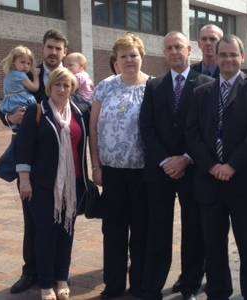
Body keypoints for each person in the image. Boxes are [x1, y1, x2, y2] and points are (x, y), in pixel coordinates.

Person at [186, 35, 247, 300]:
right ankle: (219, 292)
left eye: (234, 55)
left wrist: (232, 165)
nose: (228, 60)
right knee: (214, 246)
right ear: (215, 57)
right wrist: (212, 166)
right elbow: (192, 133)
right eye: (223, 55)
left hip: (244, 182)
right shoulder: (201, 91)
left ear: (242, 57)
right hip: (209, 182)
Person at [139, 31, 213, 300]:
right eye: (168, 47)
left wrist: (185, 158)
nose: (173, 52)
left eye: (178, 47)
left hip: (193, 168)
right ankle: (153, 285)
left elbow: (207, 129)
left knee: (193, 228)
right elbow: (146, 127)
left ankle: (190, 284)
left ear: (189, 50)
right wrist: (165, 160)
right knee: (158, 228)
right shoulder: (154, 85)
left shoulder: (205, 83)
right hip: (160, 170)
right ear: (164, 52)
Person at [0, 29, 68, 295]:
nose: (53, 52)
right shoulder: (28, 73)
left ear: (64, 50)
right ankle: (32, 271)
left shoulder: (70, 75)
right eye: (49, 47)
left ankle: (58, 271)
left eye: (58, 48)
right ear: (43, 48)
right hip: (29, 163)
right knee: (32, 219)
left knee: (62, 217)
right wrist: (8, 119)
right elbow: (6, 106)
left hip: (63, 162)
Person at [15, 67, 90, 300]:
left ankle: (61, 277)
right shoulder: (37, 111)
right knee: (45, 234)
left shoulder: (77, 112)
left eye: (66, 85)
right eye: (57, 84)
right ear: (49, 87)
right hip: (44, 186)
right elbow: (24, 148)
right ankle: (46, 283)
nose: (61, 89)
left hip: (72, 184)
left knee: (66, 232)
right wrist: (25, 181)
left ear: (72, 88)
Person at [89, 33, 150, 299]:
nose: (129, 60)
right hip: (111, 171)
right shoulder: (105, 86)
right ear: (116, 60)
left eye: (133, 54)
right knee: (113, 230)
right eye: (124, 55)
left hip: (143, 173)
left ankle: (138, 283)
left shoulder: (154, 87)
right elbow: (93, 127)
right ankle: (113, 284)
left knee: (140, 231)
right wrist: (96, 165)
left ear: (141, 57)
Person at [0, 45, 40, 131]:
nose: (26, 66)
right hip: (22, 102)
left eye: (28, 63)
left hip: (9, 105)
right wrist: (36, 76)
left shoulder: (8, 75)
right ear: (14, 61)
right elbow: (34, 88)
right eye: (22, 62)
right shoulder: (21, 75)